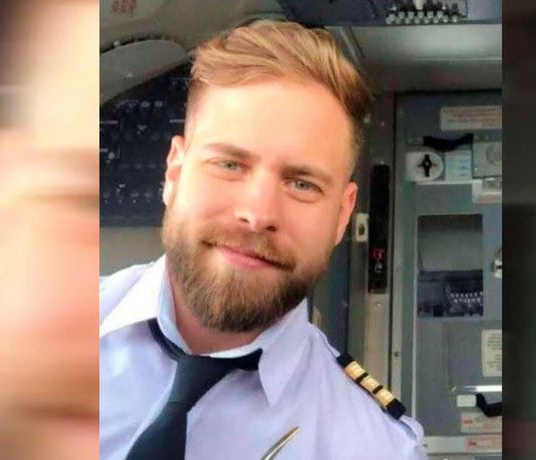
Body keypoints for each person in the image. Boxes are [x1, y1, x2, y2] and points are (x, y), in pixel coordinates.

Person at [100, 20, 427, 460]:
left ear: (342, 215)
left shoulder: (378, 449)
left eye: (302, 184)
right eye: (229, 165)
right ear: (174, 172)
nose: (257, 215)